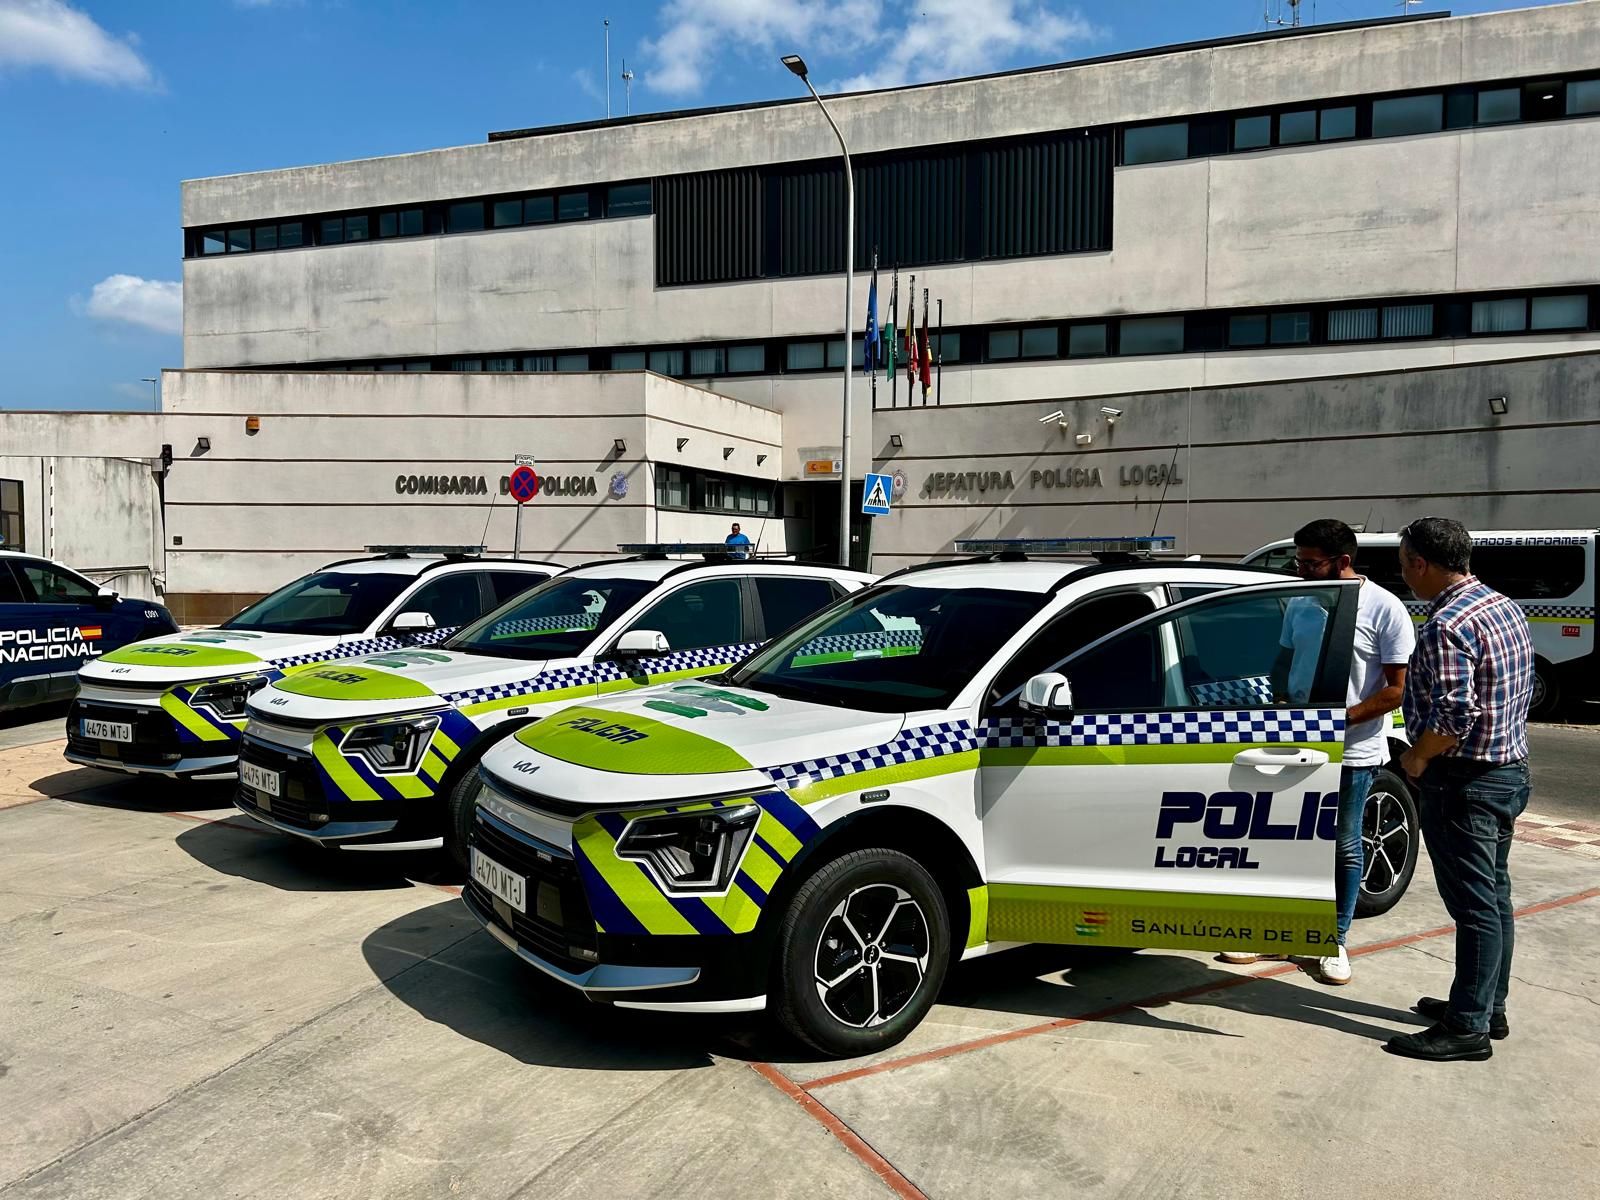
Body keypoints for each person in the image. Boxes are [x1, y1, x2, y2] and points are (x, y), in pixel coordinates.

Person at [1221, 519, 1415, 986]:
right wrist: (1278, 705)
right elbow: (1284, 664)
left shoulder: (1385, 610)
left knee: (1344, 844)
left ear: (1343, 562)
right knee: (1282, 837)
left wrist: (1339, 721)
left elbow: (1396, 691)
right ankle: (1275, 929)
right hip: (1294, 743)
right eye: (1299, 562)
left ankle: (1335, 939)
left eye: (1310, 563)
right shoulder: (1303, 601)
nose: (1301, 571)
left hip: (1351, 750)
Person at [1385, 518, 1533, 1063]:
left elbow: (1453, 715)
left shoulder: (1448, 623)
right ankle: (1484, 1006)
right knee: (1494, 898)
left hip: (1465, 781)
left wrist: (1417, 756)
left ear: (1421, 563)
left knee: (1475, 908)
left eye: (1404, 565)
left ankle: (1467, 1027)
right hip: (1507, 772)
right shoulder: (1501, 605)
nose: (1404, 577)